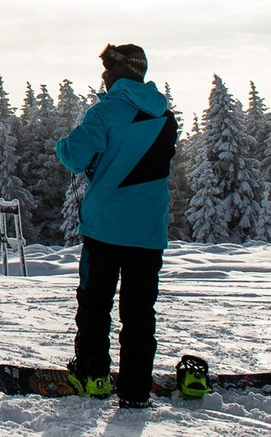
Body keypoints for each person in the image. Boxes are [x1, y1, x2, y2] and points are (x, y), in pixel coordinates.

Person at [56, 43, 178, 410]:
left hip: (106, 229)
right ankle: (135, 390)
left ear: (117, 73)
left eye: (107, 70)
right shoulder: (165, 116)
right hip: (149, 232)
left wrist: (63, 142)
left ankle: (93, 376)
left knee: (95, 304)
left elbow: (73, 156)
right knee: (139, 312)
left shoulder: (105, 112)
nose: (104, 76)